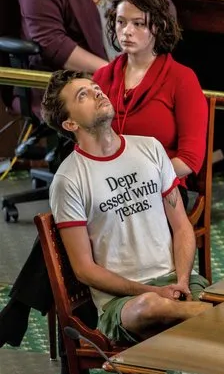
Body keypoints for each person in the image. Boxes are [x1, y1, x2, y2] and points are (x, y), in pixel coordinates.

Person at [41, 69, 209, 343]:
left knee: (169, 310)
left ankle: (199, 316)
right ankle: (213, 316)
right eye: (83, 95)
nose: (97, 93)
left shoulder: (150, 149)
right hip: (123, 303)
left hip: (179, 284)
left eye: (96, 88)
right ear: (70, 123)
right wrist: (148, 291)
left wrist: (181, 279)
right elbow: (84, 269)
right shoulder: (68, 180)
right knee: (151, 308)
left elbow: (182, 226)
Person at [93, 0, 207, 201]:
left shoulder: (182, 79)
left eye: (138, 24)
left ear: (158, 27)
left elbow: (190, 159)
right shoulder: (102, 77)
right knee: (62, 223)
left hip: (161, 187)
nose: (126, 31)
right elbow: (86, 140)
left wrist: (133, 182)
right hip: (106, 185)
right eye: (121, 21)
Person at [18, 0, 171, 73]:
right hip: (87, 86)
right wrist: (116, 74)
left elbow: (165, 8)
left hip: (145, 71)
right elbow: (52, 44)